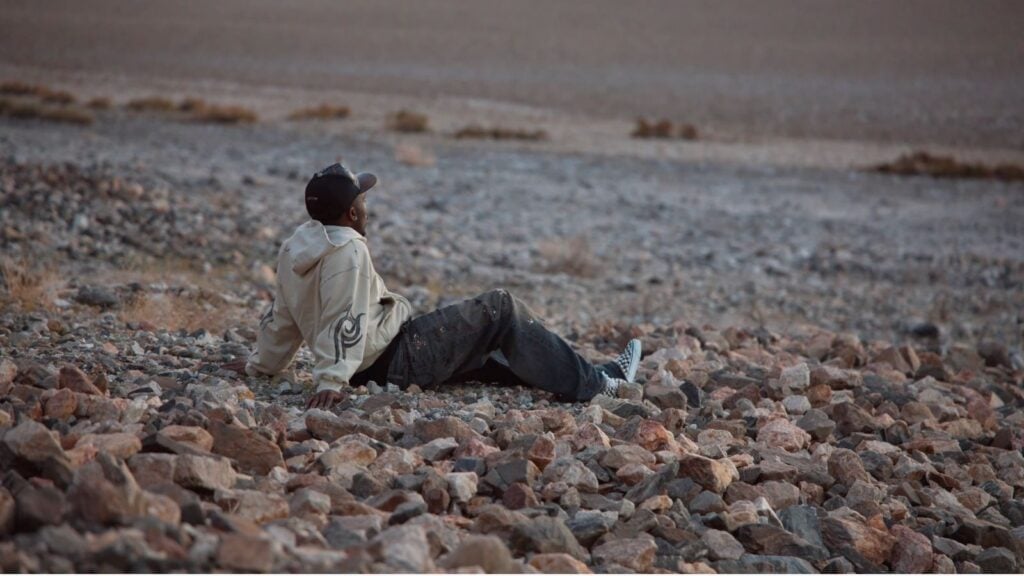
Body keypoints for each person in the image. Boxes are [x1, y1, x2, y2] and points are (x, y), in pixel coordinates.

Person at [244, 162, 642, 410]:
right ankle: (601, 387)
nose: (367, 207)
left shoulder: (298, 245)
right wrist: (332, 380)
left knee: (490, 352)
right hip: (392, 360)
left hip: (377, 358)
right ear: (351, 213)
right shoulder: (349, 253)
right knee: (500, 308)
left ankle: (598, 373)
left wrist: (262, 365)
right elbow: (344, 317)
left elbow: (283, 312)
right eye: (363, 201)